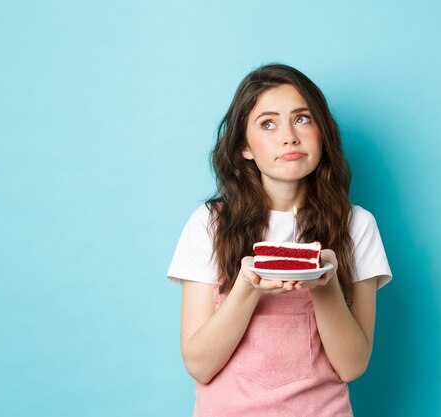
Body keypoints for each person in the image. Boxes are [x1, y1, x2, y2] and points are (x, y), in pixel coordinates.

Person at [167, 63, 392, 416]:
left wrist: (325, 284)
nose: (289, 136)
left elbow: (352, 366)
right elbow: (199, 364)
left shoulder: (356, 225)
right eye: (268, 124)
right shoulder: (209, 225)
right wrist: (247, 285)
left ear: (322, 132)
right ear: (244, 147)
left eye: (302, 119)